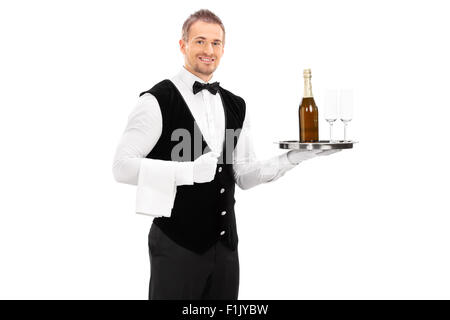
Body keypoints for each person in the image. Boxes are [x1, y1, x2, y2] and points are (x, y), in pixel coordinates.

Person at [112, 9, 340, 300]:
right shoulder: (157, 100)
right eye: (200, 41)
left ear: (223, 48)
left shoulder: (236, 104)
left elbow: (243, 175)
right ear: (183, 45)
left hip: (226, 249)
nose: (209, 50)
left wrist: (293, 158)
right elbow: (121, 167)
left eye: (216, 43)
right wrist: (187, 172)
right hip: (176, 245)